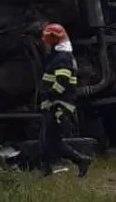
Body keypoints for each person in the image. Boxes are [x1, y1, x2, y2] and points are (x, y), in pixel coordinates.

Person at [38, 23, 93, 177]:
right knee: (46, 140)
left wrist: (50, 94)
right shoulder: (59, 56)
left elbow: (62, 81)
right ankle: (47, 168)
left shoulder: (62, 58)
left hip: (59, 105)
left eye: (47, 39)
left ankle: (80, 160)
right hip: (54, 105)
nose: (45, 42)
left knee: (52, 140)